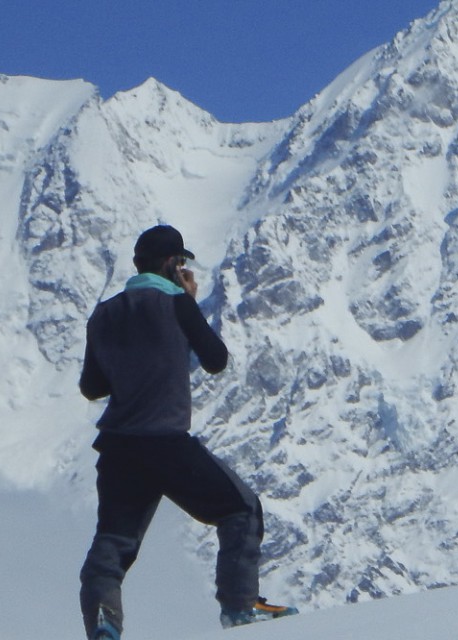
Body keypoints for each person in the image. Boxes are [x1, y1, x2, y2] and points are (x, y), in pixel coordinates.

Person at [77, 224, 296, 639]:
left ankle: (104, 622)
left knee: (114, 540)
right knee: (240, 509)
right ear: (172, 264)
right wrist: (189, 303)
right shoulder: (176, 303)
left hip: (119, 447)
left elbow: (92, 387)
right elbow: (215, 359)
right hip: (166, 442)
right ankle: (240, 605)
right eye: (181, 262)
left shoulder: (104, 313)